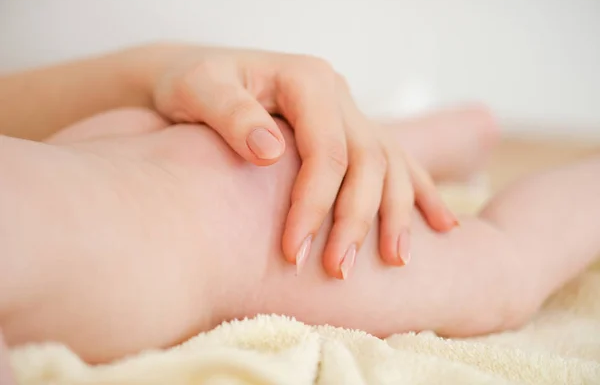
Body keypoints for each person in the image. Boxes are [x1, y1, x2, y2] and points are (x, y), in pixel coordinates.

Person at [1, 43, 599, 372]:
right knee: (320, 163)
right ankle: (447, 135)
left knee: (506, 264)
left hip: (243, 229)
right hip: (115, 154)